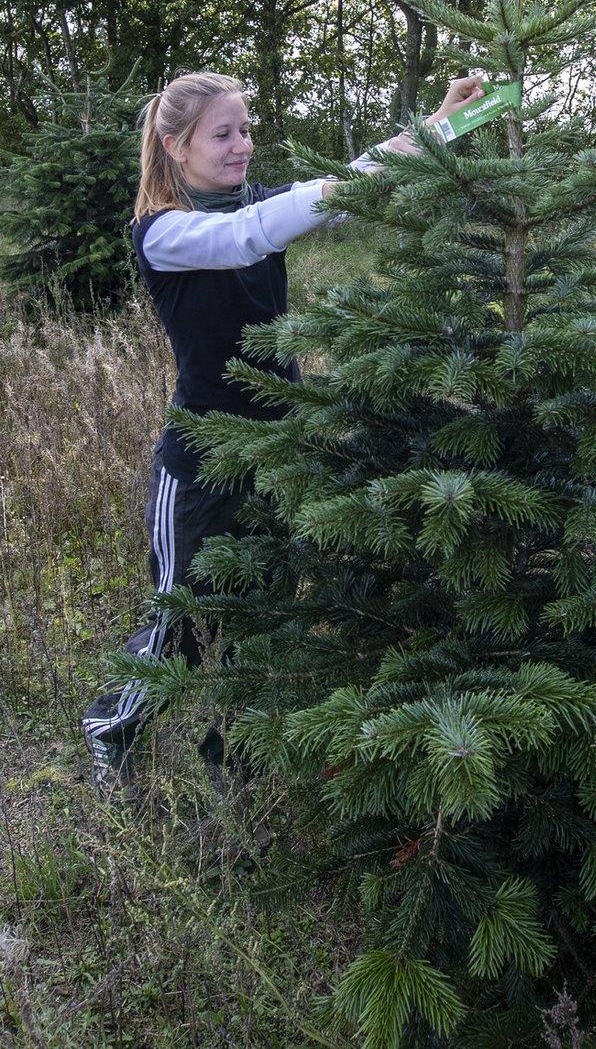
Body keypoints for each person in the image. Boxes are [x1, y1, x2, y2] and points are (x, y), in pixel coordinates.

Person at [82, 69, 484, 794]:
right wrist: (320, 195)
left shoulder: (259, 206)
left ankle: (234, 756)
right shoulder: (165, 234)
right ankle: (111, 729)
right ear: (175, 146)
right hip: (201, 465)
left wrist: (441, 124)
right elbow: (244, 238)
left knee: (263, 614)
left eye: (246, 129)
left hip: (281, 449)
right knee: (180, 617)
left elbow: (357, 175)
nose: (243, 145)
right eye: (224, 133)